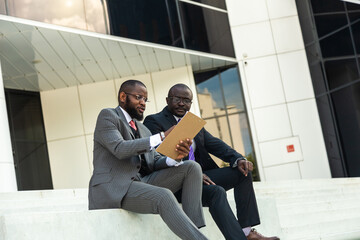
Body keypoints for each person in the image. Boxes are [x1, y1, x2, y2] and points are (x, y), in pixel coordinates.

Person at [143, 84, 280, 240]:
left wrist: (238, 158)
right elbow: (157, 156)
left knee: (242, 172)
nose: (182, 103)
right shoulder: (154, 121)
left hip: (202, 177)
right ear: (168, 100)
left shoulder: (192, 123)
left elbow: (216, 144)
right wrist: (192, 172)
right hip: (177, 183)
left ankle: (247, 232)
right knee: (217, 192)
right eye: (177, 99)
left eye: (186, 100)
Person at [88, 80, 208, 240]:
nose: (143, 103)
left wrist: (175, 158)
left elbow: (155, 160)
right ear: (123, 96)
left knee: (191, 167)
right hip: (114, 188)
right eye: (139, 97)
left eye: (145, 99)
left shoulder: (143, 128)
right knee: (164, 196)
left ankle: (193, 232)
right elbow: (119, 148)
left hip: (140, 183)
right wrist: (163, 136)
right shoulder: (108, 116)